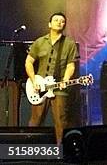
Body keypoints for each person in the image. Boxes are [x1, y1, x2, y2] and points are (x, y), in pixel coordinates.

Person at [25, 12, 79, 144]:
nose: (59, 22)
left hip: (59, 87)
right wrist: (33, 80)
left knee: (61, 121)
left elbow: (71, 65)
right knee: (35, 119)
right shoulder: (40, 42)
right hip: (40, 85)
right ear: (49, 24)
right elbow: (28, 62)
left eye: (62, 21)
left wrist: (66, 79)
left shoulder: (69, 43)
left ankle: (61, 151)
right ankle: (29, 149)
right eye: (56, 20)